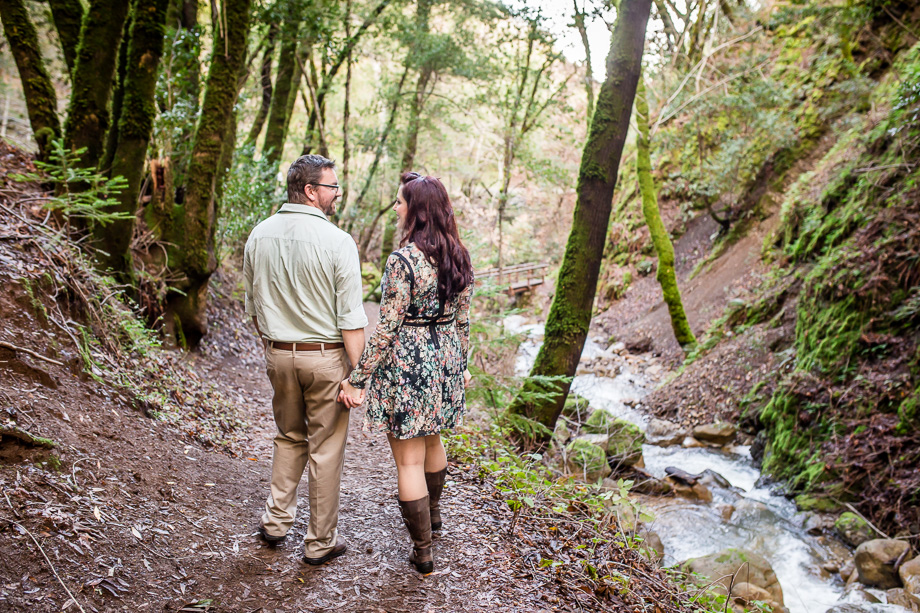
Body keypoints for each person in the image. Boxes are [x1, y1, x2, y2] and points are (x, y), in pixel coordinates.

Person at [340, 172, 474, 574]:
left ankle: (423, 551)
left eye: (400, 202)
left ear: (416, 210)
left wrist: (358, 377)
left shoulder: (403, 261)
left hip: (410, 361)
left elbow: (386, 328)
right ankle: (432, 519)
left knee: (409, 462)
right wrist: (461, 366)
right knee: (432, 440)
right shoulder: (459, 254)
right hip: (446, 356)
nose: (396, 208)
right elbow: (463, 322)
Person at [243, 154, 368, 566]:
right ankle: (318, 543)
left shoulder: (259, 234)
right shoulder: (338, 241)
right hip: (326, 360)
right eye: (332, 187)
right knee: (326, 450)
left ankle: (275, 522)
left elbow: (253, 307)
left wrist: (274, 348)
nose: (337, 195)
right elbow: (351, 321)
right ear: (311, 191)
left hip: (278, 355)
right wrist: (360, 376)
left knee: (288, 436)